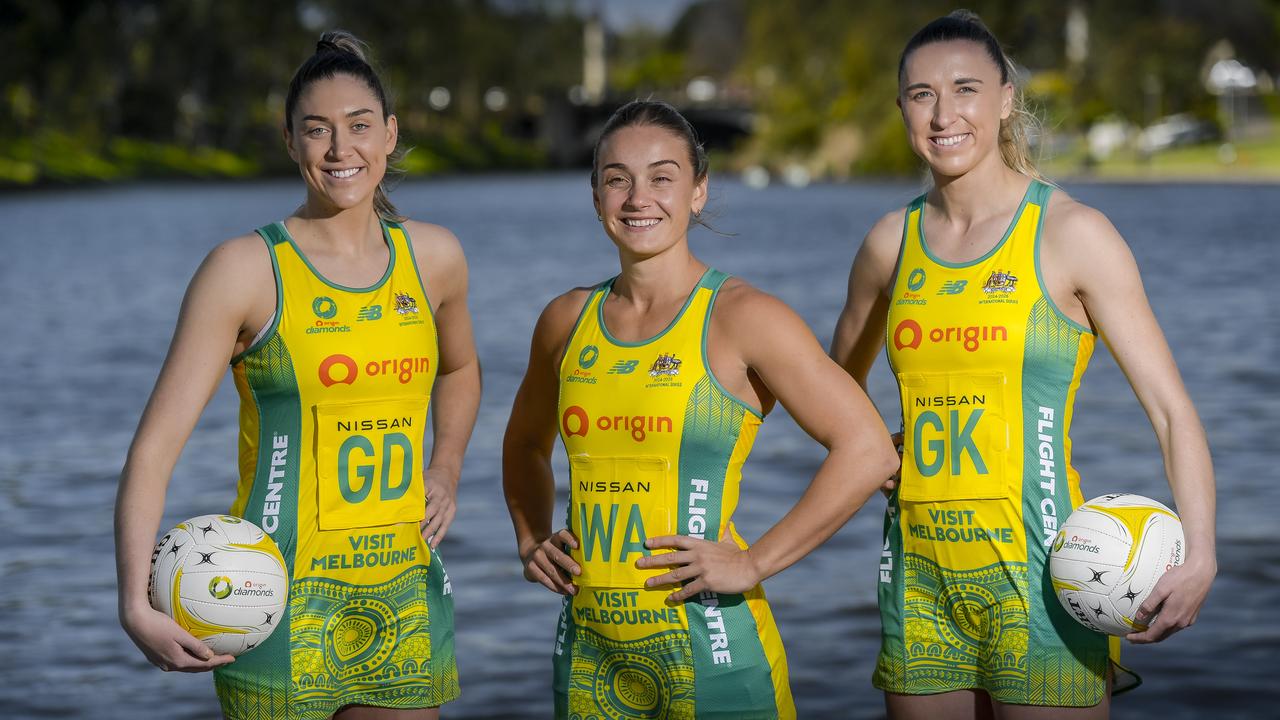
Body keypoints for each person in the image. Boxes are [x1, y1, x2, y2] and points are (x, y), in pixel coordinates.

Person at [830, 10, 1217, 719]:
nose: (944, 113)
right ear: (903, 110)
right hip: (918, 578)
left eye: (965, 89)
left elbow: (1171, 411)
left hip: (1042, 578)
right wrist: (876, 448)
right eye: (922, 95)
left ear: (1006, 98)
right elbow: (830, 391)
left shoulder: (1073, 234)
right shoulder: (890, 244)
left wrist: (1201, 556)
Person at [114, 31, 480, 719]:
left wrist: (448, 467)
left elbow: (459, 369)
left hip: (403, 592)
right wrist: (135, 600)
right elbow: (154, 450)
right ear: (290, 142)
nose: (341, 150)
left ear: (392, 134)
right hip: (273, 599)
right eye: (318, 131)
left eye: (359, 127)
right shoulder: (244, 270)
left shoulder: (435, 258)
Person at [501, 99, 898, 719]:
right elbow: (525, 443)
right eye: (617, 179)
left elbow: (867, 449)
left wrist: (754, 561)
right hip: (588, 665)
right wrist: (530, 538)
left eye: (662, 177)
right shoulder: (564, 321)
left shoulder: (744, 317)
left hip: (718, 666)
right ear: (595, 194)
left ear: (698, 192)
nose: (638, 198)